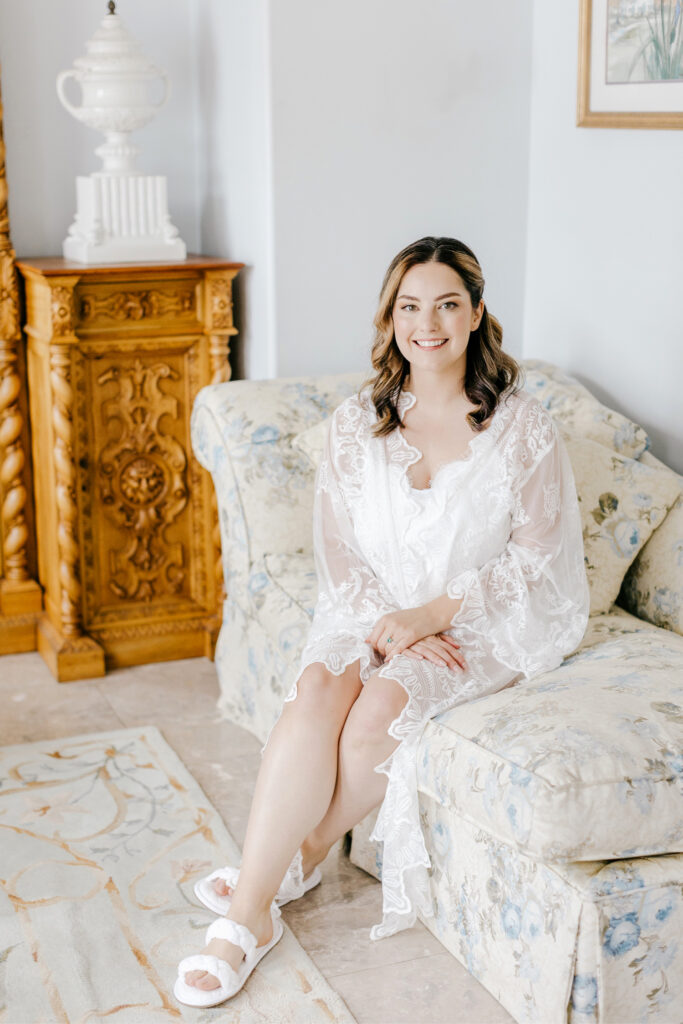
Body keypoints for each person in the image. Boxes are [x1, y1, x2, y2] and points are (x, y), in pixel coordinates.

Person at [174, 236, 590, 1007]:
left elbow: (536, 558)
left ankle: (252, 905)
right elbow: (337, 552)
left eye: (445, 304)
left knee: (378, 715)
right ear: (390, 317)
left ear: (474, 315)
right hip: (369, 607)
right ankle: (268, 890)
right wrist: (386, 621)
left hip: (482, 619)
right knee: (318, 691)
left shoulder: (521, 426)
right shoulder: (351, 424)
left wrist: (432, 613)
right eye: (408, 306)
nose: (425, 323)